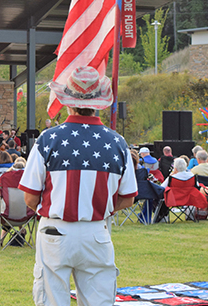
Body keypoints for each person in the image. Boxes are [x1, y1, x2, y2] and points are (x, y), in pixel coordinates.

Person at [18, 66, 137, 306]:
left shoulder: (47, 139)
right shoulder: (118, 143)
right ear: (98, 103)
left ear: (67, 102)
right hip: (96, 231)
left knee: (51, 299)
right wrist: (99, 207)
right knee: (99, 300)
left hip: (54, 231)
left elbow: (30, 197)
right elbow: (128, 198)